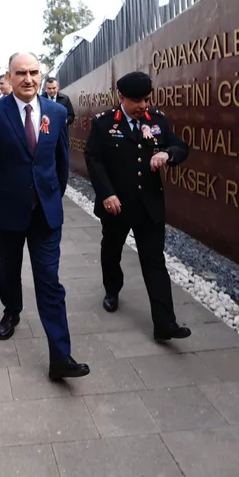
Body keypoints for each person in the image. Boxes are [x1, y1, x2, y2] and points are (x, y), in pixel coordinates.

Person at [0, 51, 90, 381]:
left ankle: (60, 356)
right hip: (6, 211)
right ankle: (12, 310)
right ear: (9, 77)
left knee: (50, 280)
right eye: (21, 73)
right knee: (9, 269)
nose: (29, 79)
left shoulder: (56, 112)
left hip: (45, 214)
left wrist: (53, 197)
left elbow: (61, 161)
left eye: (34, 72)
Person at [84, 70, 191, 341]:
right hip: (116, 205)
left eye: (146, 99)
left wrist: (168, 153)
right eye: (136, 100)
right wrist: (106, 194)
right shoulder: (105, 123)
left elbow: (181, 147)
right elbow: (93, 158)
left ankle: (165, 323)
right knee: (112, 252)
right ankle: (112, 290)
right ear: (121, 97)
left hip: (149, 207)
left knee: (155, 262)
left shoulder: (157, 121)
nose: (143, 105)